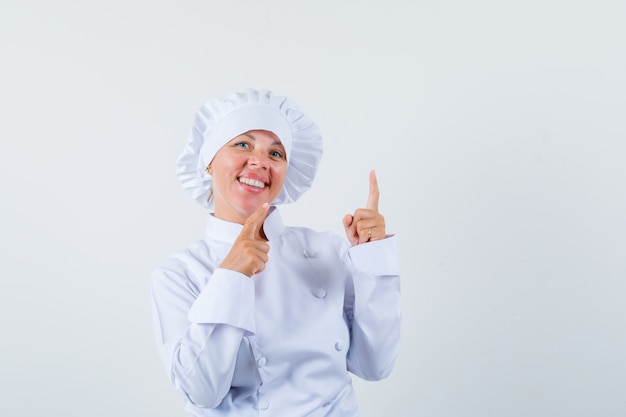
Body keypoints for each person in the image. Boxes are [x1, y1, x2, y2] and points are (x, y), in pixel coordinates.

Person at [151, 89, 401, 417]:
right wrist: (231, 277)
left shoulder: (327, 250)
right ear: (209, 161)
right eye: (243, 144)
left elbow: (375, 365)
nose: (259, 162)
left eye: (276, 153)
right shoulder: (178, 274)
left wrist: (372, 259)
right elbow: (202, 391)